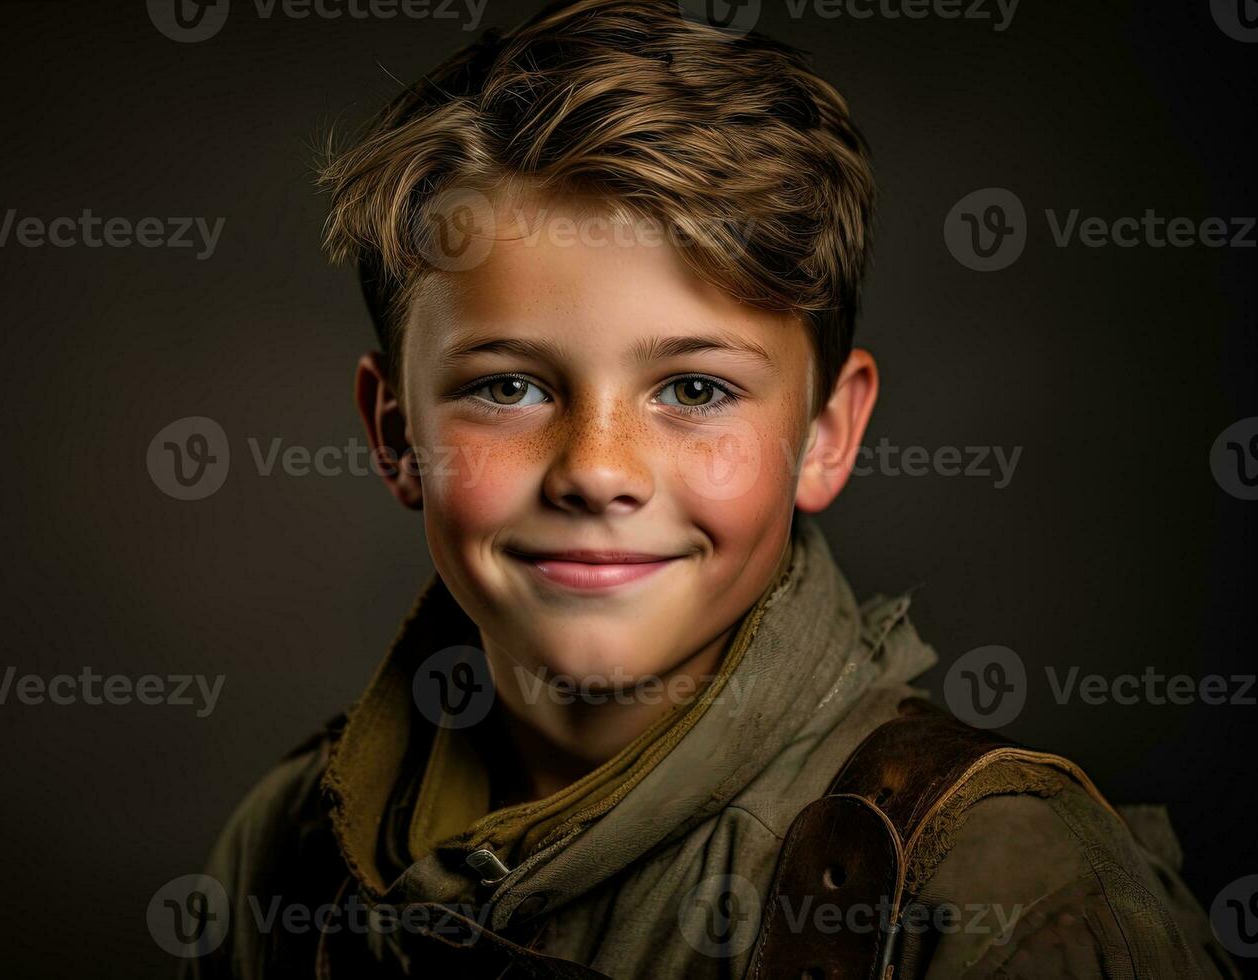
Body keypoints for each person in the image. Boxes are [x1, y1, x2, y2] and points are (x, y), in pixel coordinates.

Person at [183, 2, 1230, 975]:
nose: (597, 468)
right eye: (507, 385)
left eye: (694, 386)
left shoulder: (1005, 893)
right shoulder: (283, 849)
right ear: (394, 433)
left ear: (825, 434)